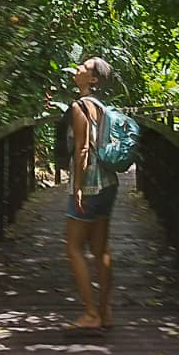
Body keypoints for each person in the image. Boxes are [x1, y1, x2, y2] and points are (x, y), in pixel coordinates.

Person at [62, 56, 118, 331]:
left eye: (84, 67)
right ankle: (105, 312)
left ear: (93, 79)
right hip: (109, 183)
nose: (78, 69)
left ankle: (90, 313)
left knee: (73, 247)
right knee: (99, 249)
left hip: (91, 185)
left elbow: (82, 150)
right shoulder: (102, 107)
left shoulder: (80, 106)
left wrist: (77, 189)